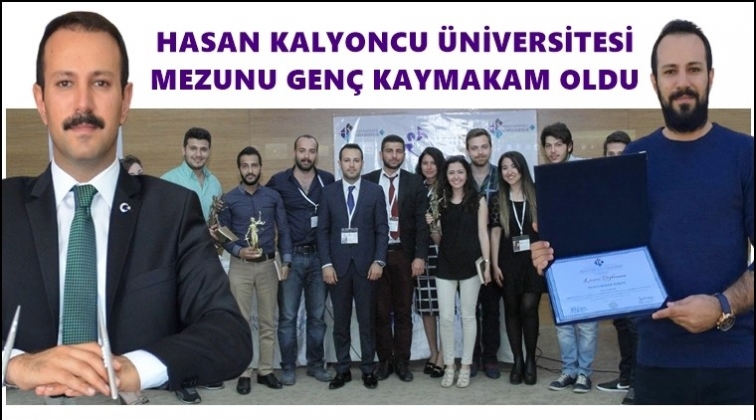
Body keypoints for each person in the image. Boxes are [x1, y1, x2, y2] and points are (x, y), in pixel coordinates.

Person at [1, 10, 251, 401]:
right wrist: (15, 365)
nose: (83, 103)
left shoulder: (171, 210)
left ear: (124, 101)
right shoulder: (5, 208)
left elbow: (229, 334)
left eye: (100, 83)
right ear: (41, 102)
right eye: (65, 83)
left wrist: (132, 368)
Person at [533, 20, 754, 405]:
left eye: (694, 69)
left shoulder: (745, 154)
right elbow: (605, 249)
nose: (682, 82)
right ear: (654, 81)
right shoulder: (634, 158)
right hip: (655, 362)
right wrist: (556, 257)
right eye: (670, 71)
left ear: (711, 76)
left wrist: (723, 305)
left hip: (735, 360)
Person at [219, 146, 293, 395]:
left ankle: (265, 370)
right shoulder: (228, 199)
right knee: (241, 323)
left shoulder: (273, 196)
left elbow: (284, 230)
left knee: (267, 321)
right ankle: (244, 372)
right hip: (240, 267)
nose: (250, 170)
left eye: (254, 165)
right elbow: (222, 234)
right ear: (239, 169)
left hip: (268, 266)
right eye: (245, 166)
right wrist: (238, 250)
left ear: (261, 168)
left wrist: (286, 261)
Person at [317, 144, 388, 391]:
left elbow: (382, 229)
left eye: (356, 160)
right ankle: (343, 369)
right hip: (337, 268)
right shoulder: (328, 193)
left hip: (367, 268)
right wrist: (326, 264)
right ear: (340, 163)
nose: (351, 165)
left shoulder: (375, 191)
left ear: (362, 164)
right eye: (347, 160)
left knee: (367, 322)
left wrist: (379, 261)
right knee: (341, 323)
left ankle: (368, 369)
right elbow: (322, 231)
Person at [266, 135, 335, 385]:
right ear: (294, 152)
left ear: (317, 154)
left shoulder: (327, 180)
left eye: (311, 151)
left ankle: (316, 365)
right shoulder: (278, 181)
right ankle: (287, 366)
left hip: (319, 258)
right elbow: (263, 208)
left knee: (317, 316)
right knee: (287, 317)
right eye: (302, 151)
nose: (307, 156)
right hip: (290, 258)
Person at [538, 122, 599, 394]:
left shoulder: (584, 170)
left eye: (558, 145)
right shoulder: (545, 177)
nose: (553, 150)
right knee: (563, 322)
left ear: (569, 146)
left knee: (586, 323)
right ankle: (569, 370)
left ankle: (584, 373)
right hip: (557, 257)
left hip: (585, 256)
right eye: (548, 146)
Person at [363, 135, 429, 383]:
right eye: (389, 151)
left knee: (403, 312)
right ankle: (385, 361)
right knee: (380, 313)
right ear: (381, 154)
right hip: (376, 256)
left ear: (404, 154)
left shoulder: (415, 182)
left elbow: (422, 224)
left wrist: (420, 256)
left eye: (398, 151)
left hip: (404, 255)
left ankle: (402, 361)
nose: (394, 155)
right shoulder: (368, 181)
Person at [433, 155, 491, 388]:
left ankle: (465, 365)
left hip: (471, 266)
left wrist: (487, 264)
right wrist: (433, 225)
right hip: (445, 264)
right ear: (446, 176)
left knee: (468, 316)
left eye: (460, 172)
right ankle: (449, 365)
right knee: (446, 318)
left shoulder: (478, 199)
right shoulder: (440, 201)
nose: (455, 176)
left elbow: (483, 234)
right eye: (451, 173)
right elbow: (438, 239)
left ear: (466, 174)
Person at [489, 151, 545, 386]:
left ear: (522, 167)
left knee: (529, 308)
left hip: (533, 260)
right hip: (507, 261)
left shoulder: (538, 194)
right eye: (504, 168)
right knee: (511, 309)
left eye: (513, 166)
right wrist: (494, 264)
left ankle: (531, 360)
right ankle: (518, 360)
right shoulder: (497, 198)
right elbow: (495, 233)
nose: (509, 171)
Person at [595, 130, 638, 405]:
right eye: (610, 154)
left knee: (635, 325)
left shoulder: (640, 183)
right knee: (620, 322)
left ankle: (638, 383)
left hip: (634, 262)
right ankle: (625, 376)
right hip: (610, 261)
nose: (615, 158)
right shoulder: (601, 185)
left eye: (620, 153)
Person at [465, 128, 503, 379]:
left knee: (491, 308)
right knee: (469, 308)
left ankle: (490, 357)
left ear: (490, 147)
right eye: (474, 148)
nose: (480, 152)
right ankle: (472, 356)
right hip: (467, 250)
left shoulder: (503, 175)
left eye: (484, 147)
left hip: (497, 248)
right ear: (467, 150)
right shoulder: (460, 176)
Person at [414, 147, 446, 378]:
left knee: (444, 307)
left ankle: (444, 354)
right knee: (427, 306)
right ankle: (433, 352)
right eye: (425, 163)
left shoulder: (448, 188)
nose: (429, 167)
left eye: (433, 162)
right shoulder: (416, 188)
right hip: (422, 254)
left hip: (445, 253)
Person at [161, 127, 223, 221]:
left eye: (203, 149)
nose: (198, 154)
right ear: (183, 150)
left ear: (209, 152)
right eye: (193, 148)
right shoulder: (167, 181)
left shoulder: (215, 183)